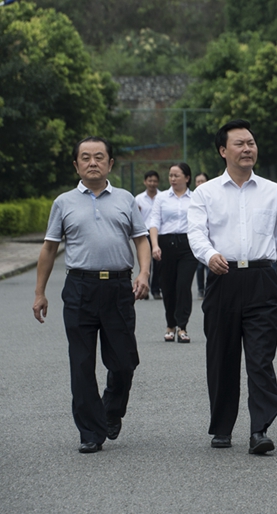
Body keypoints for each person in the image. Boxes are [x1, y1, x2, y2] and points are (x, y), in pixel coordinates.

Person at [187, 119, 277, 454]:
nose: (248, 148)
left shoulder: (272, 191)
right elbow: (195, 232)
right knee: (221, 356)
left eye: (251, 142)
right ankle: (222, 427)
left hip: (263, 280)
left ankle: (259, 429)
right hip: (222, 279)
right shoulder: (205, 193)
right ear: (223, 151)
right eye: (240, 143)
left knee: (261, 358)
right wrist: (209, 256)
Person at [32, 136, 151, 453]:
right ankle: (90, 431)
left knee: (124, 362)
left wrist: (143, 272)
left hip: (117, 288)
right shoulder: (64, 202)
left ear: (111, 163)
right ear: (76, 164)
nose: (92, 162)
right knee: (81, 362)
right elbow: (49, 248)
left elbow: (141, 239)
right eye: (85, 157)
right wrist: (39, 292)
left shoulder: (126, 199)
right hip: (79, 288)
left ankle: (111, 410)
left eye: (99, 157)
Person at [149, 163, 198, 343]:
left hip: (188, 245)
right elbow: (154, 221)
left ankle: (182, 327)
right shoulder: (161, 198)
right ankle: (170, 325)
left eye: (177, 175)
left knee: (183, 285)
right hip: (165, 244)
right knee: (168, 286)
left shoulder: (195, 198)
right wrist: (155, 245)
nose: (173, 179)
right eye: (170, 175)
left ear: (187, 178)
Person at [135, 170, 162, 299]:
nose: (152, 183)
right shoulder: (138, 199)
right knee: (146, 263)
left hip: (158, 234)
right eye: (150, 180)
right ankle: (144, 289)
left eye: (155, 181)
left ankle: (156, 289)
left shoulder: (162, 197)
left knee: (158, 264)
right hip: (144, 233)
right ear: (145, 182)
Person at [194, 172, 209, 299]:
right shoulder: (193, 197)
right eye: (198, 181)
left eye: (202, 181)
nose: (199, 184)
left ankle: (209, 288)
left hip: (212, 238)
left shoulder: (212, 195)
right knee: (199, 267)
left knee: (210, 266)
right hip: (199, 237)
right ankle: (200, 289)